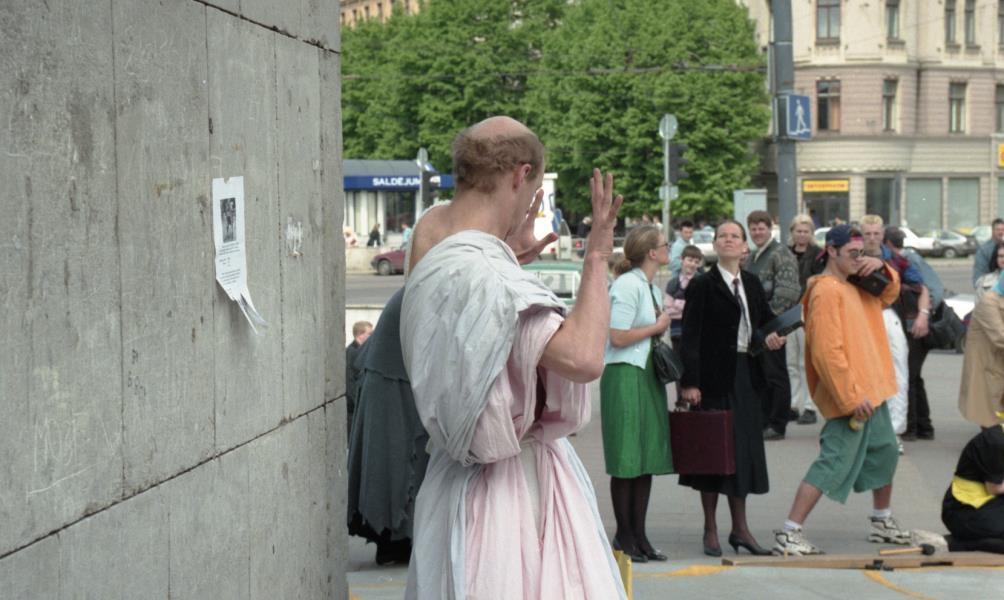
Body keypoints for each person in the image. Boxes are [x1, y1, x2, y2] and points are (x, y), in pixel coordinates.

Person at [400, 116, 626, 599]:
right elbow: (584, 358)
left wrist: (504, 249)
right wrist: (597, 258)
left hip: (448, 484)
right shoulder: (497, 282)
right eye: (532, 190)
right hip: (509, 496)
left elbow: (462, 268)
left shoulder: (430, 240)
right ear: (521, 175)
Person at [772, 225, 910, 555]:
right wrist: (849, 396)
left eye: (861, 253)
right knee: (834, 460)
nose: (858, 260)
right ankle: (789, 532)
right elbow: (826, 352)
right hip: (852, 396)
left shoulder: (858, 282)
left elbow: (890, 294)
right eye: (852, 253)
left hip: (873, 390)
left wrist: (882, 266)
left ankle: (881, 520)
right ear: (831, 251)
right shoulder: (825, 291)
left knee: (886, 452)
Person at [678, 219, 785, 557]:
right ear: (715, 245)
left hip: (746, 375)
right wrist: (690, 383)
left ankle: (740, 529)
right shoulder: (703, 285)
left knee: (742, 453)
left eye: (734, 236)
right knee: (713, 452)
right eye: (722, 236)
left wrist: (774, 335)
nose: (728, 240)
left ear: (744, 247)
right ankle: (710, 528)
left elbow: (765, 322)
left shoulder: (751, 283)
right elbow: (689, 337)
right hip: (713, 379)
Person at [601, 224, 674, 563]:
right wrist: (656, 327)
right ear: (651, 252)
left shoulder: (650, 287)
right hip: (625, 373)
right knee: (626, 457)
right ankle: (624, 534)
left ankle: (639, 536)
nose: (668, 248)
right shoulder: (628, 285)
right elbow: (617, 336)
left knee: (645, 458)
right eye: (664, 244)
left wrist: (657, 328)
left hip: (645, 373)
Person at [346, 295, 429, 566]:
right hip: (393, 383)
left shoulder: (420, 288)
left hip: (393, 378)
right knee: (398, 464)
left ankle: (396, 539)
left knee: (395, 464)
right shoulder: (427, 289)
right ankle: (396, 539)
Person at [745, 211, 801, 441]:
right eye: (753, 228)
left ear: (770, 229)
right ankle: (764, 420)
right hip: (756, 328)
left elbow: (788, 292)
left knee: (776, 375)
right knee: (763, 376)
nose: (757, 232)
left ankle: (778, 424)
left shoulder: (781, 253)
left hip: (773, 326)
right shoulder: (753, 257)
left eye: (761, 228)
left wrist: (771, 325)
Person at [860, 215, 914, 453]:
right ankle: (866, 433)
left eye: (876, 233)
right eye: (867, 233)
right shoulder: (851, 256)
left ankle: (894, 433)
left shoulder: (896, 259)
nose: (872, 238)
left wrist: (922, 312)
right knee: (864, 375)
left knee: (897, 373)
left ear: (883, 235)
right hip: (860, 318)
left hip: (889, 316)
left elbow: (921, 284)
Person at [885, 227, 937, 442]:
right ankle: (924, 426)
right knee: (914, 376)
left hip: (914, 325)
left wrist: (923, 315)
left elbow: (929, 289)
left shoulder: (908, 261)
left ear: (887, 243)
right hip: (912, 323)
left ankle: (912, 427)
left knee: (909, 376)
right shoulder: (907, 259)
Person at [941, 422, 1004, 549]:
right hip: (963, 511)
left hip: (988, 503)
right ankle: (960, 544)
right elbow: (994, 488)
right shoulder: (995, 442)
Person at [787, 214, 822, 425]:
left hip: (807, 312)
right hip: (788, 312)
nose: (801, 235)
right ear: (792, 232)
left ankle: (810, 407)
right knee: (790, 362)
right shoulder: (785, 253)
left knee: (805, 362)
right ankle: (793, 404)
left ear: (811, 233)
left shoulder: (818, 254)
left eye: (805, 231)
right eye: (798, 231)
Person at [958, 271, 1004, 428]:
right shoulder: (988, 302)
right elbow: (1000, 336)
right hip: (988, 364)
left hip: (998, 364)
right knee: (989, 413)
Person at [665, 245, 704, 350]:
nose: (692, 264)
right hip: (676, 332)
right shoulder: (672, 284)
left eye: (696, 262)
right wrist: (688, 307)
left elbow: (701, 310)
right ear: (681, 259)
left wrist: (678, 304)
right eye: (690, 260)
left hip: (697, 334)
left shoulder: (702, 282)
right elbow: (668, 311)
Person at [345, 320, 373, 438]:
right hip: (353, 410)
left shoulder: (358, 351)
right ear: (360, 335)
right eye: (369, 334)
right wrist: (360, 404)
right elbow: (350, 382)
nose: (372, 337)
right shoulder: (352, 353)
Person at [972, 218, 1004, 287]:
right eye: (998, 229)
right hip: (988, 286)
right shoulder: (983, 250)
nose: (1001, 232)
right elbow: (978, 278)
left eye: (1002, 230)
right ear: (992, 230)